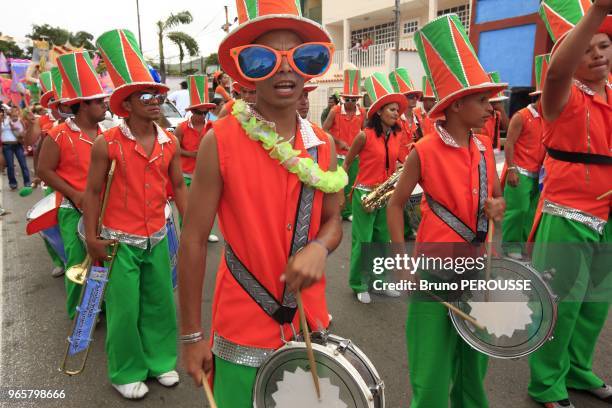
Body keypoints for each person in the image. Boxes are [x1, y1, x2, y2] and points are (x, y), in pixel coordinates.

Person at [178, 1, 346, 406]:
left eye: (301, 57)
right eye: (263, 59)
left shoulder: (324, 147)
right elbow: (194, 240)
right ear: (245, 71)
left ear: (312, 68)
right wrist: (191, 337)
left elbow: (334, 220)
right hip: (242, 322)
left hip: (309, 319)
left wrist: (320, 247)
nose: (285, 69)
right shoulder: (220, 141)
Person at [386, 14, 506, 407]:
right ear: (455, 106)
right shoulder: (423, 150)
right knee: (431, 372)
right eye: (482, 101)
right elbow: (396, 203)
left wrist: (497, 210)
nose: (491, 109)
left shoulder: (487, 148)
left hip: (478, 270)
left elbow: (495, 205)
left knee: (474, 368)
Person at [83, 29, 187, 400]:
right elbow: (92, 192)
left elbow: (178, 187)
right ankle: (125, 370)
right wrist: (92, 237)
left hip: (157, 236)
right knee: (124, 311)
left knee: (160, 302)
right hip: (116, 242)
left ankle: (160, 361)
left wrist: (190, 227)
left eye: (158, 94)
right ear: (126, 104)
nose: (157, 101)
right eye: (147, 95)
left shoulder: (169, 141)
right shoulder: (106, 143)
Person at [528, 1, 612, 407]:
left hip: (607, 214)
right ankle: (546, 385)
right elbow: (557, 70)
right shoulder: (561, 95)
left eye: (604, 45)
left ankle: (577, 369)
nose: (597, 54)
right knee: (560, 305)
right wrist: (597, 10)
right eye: (586, 48)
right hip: (567, 213)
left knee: (595, 306)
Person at [37, 51, 109, 319]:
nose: (105, 105)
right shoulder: (58, 135)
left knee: (104, 260)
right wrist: (74, 194)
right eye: (98, 101)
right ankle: (81, 315)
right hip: (72, 209)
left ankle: (102, 305)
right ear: (82, 105)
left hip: (105, 208)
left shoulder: (107, 134)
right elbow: (43, 170)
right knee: (79, 262)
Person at [343, 72, 407, 304]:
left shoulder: (397, 135)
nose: (396, 113)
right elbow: (348, 162)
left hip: (386, 193)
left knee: (382, 241)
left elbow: (402, 159)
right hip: (364, 193)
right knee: (364, 241)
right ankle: (359, 283)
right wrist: (343, 192)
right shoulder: (364, 135)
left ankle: (379, 282)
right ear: (379, 111)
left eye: (397, 110)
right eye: (391, 109)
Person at [501, 54, 548, 260]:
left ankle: (524, 247)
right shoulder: (521, 116)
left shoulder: (551, 119)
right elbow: (509, 143)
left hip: (539, 174)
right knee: (517, 211)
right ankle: (509, 246)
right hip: (519, 171)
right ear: (539, 96)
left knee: (531, 212)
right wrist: (511, 169)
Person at [174, 75, 219, 242]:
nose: (203, 115)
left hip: (206, 175)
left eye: (206, 112)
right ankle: (186, 235)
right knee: (185, 208)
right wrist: (192, 154)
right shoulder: (182, 128)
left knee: (206, 207)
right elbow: (175, 149)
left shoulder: (212, 127)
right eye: (200, 112)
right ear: (192, 112)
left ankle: (204, 233)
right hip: (186, 174)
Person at [323, 68, 366, 221]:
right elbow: (325, 129)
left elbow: (366, 131)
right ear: (343, 98)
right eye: (347, 99)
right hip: (339, 155)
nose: (350, 102)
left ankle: (348, 212)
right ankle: (337, 212)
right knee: (338, 185)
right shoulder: (335, 110)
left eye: (353, 100)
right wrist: (339, 141)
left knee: (353, 184)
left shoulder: (362, 112)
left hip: (355, 155)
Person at [389, 68, 424, 159]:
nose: (415, 99)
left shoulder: (419, 119)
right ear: (402, 98)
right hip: (397, 167)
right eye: (411, 96)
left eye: (416, 96)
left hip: (415, 164)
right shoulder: (393, 120)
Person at [1, 106, 31, 191]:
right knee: (10, 166)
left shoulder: (20, 120)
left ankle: (27, 183)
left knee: (23, 164)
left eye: (15, 111)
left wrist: (17, 130)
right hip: (7, 146)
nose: (13, 112)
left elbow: (24, 132)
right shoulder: (4, 121)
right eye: (12, 111)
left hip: (18, 145)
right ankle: (13, 184)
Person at [480, 72, 509, 150]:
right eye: (497, 102)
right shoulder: (479, 116)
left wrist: (502, 110)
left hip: (495, 151)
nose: (500, 104)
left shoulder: (497, 114)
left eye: (500, 102)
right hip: (483, 150)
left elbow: (508, 129)